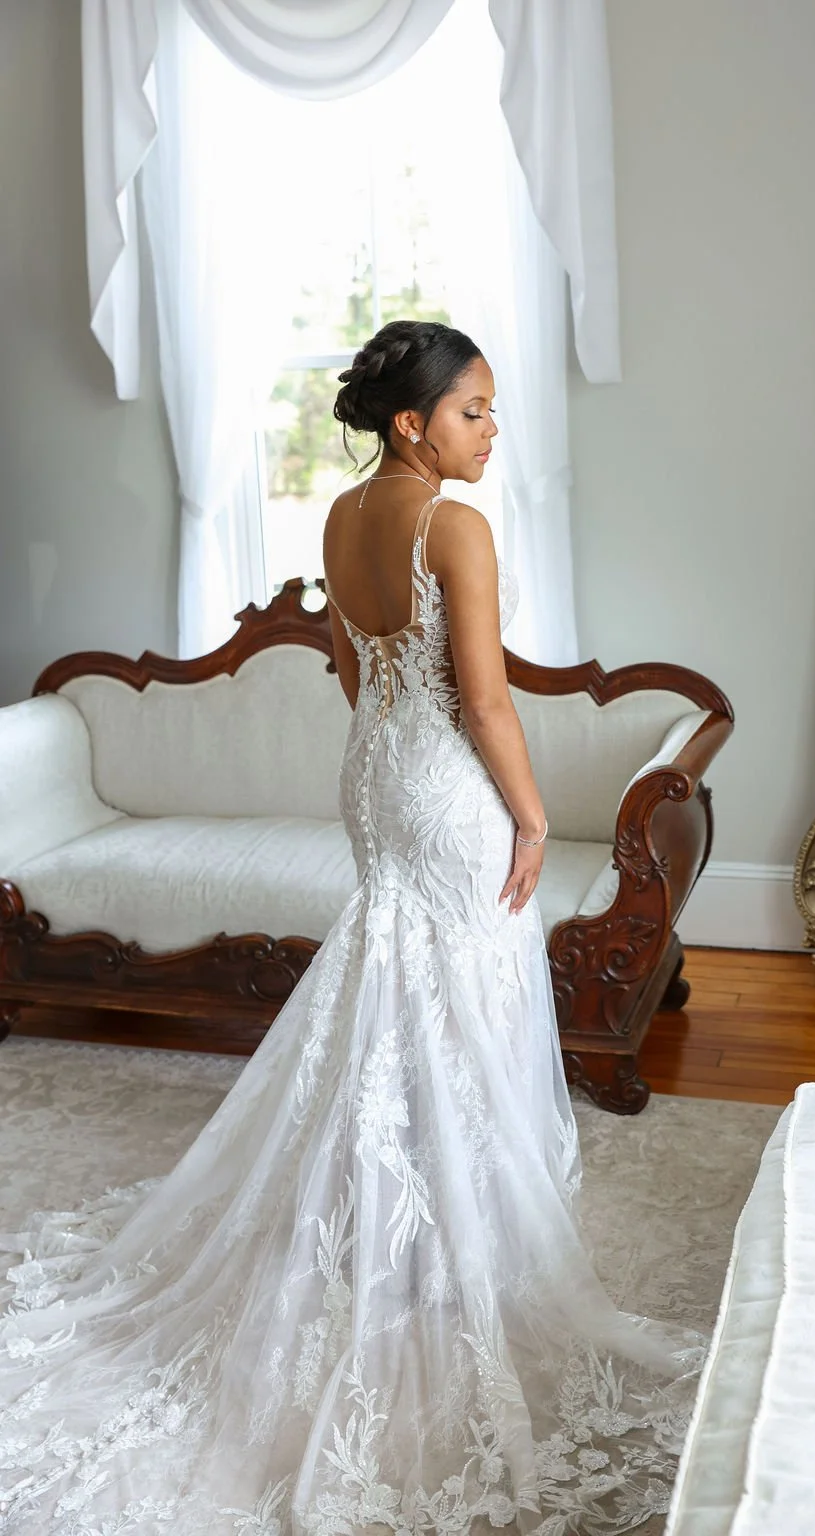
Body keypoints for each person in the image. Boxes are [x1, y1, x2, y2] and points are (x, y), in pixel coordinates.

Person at [0, 320, 705, 1535]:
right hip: (447, 790)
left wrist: (401, 741)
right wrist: (531, 823)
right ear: (411, 424)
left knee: (397, 981)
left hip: (377, 775)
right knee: (462, 984)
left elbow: (349, 664)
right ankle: (447, 1224)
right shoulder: (456, 525)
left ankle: (401, 1199)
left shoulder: (338, 517)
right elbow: (485, 699)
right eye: (475, 411)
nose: (492, 430)